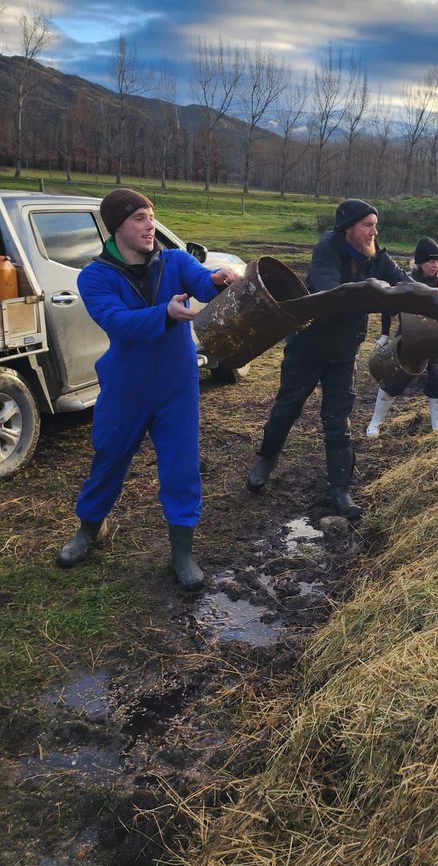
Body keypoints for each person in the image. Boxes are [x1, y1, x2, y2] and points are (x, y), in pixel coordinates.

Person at [56, 188, 236, 590]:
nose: (149, 225)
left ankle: (182, 554)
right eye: (139, 218)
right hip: (127, 387)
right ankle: (88, 530)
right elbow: (117, 322)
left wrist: (219, 280)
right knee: (109, 457)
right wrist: (167, 313)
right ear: (116, 226)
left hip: (176, 385)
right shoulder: (95, 277)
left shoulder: (174, 260)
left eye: (151, 216)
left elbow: (203, 284)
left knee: (181, 465)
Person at [246, 198, 411, 518]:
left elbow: (405, 283)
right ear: (348, 228)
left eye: (375, 225)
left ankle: (340, 490)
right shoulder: (327, 249)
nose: (374, 232)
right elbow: (332, 295)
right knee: (286, 409)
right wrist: (378, 293)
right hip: (308, 345)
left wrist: (430, 300)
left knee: (338, 420)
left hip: (343, 352)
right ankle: (265, 461)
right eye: (367, 225)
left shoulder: (377, 256)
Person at [366, 236, 438, 438]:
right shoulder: (406, 280)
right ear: (419, 262)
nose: (434, 265)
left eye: (437, 261)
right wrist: (383, 336)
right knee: (394, 379)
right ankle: (375, 423)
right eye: (430, 261)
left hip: (436, 339)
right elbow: (388, 308)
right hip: (408, 336)